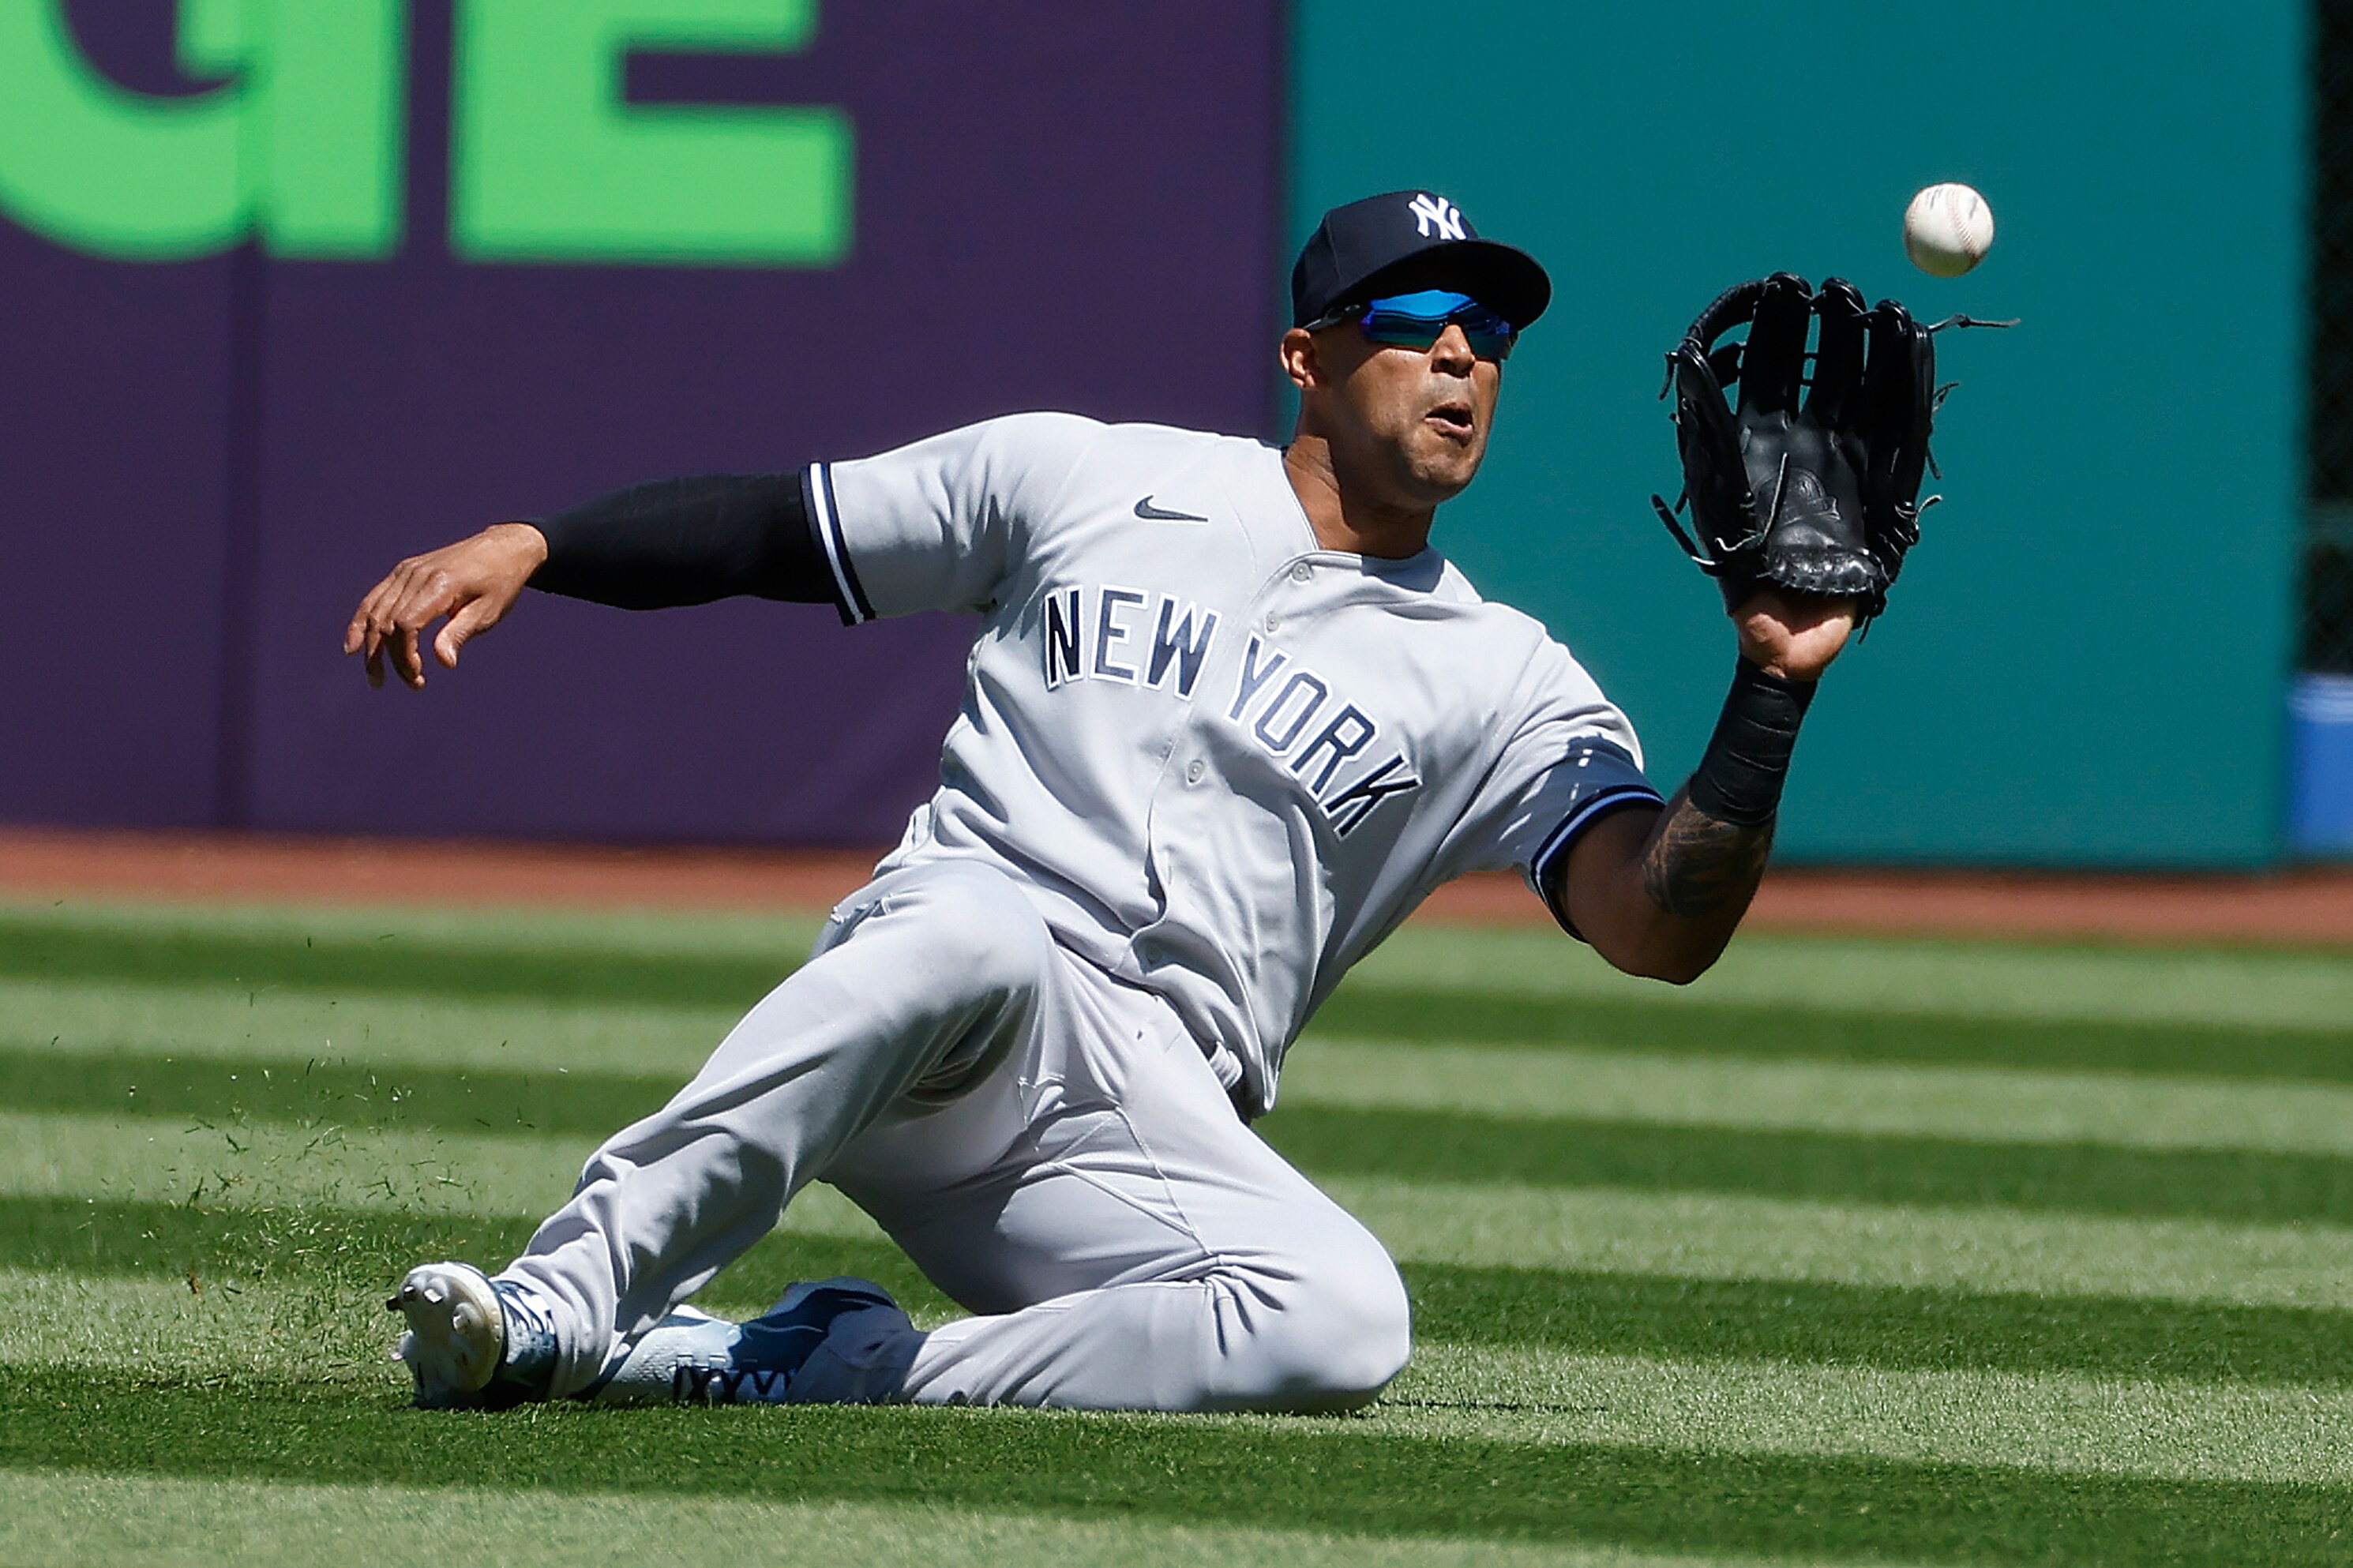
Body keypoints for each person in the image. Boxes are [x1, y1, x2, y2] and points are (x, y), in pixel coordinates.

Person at [348, 191, 1852, 1413]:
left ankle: (824, 1367)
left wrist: (1770, 689)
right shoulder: (1085, 477)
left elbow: (1656, 924)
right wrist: (539, 540)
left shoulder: (1507, 677)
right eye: (1414, 319)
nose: (1463, 355)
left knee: (1342, 1321)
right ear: (1306, 355)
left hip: (1137, 1116)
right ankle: (569, 1290)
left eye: (1492, 330)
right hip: (948, 1001)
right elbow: (781, 525)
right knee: (976, 929)